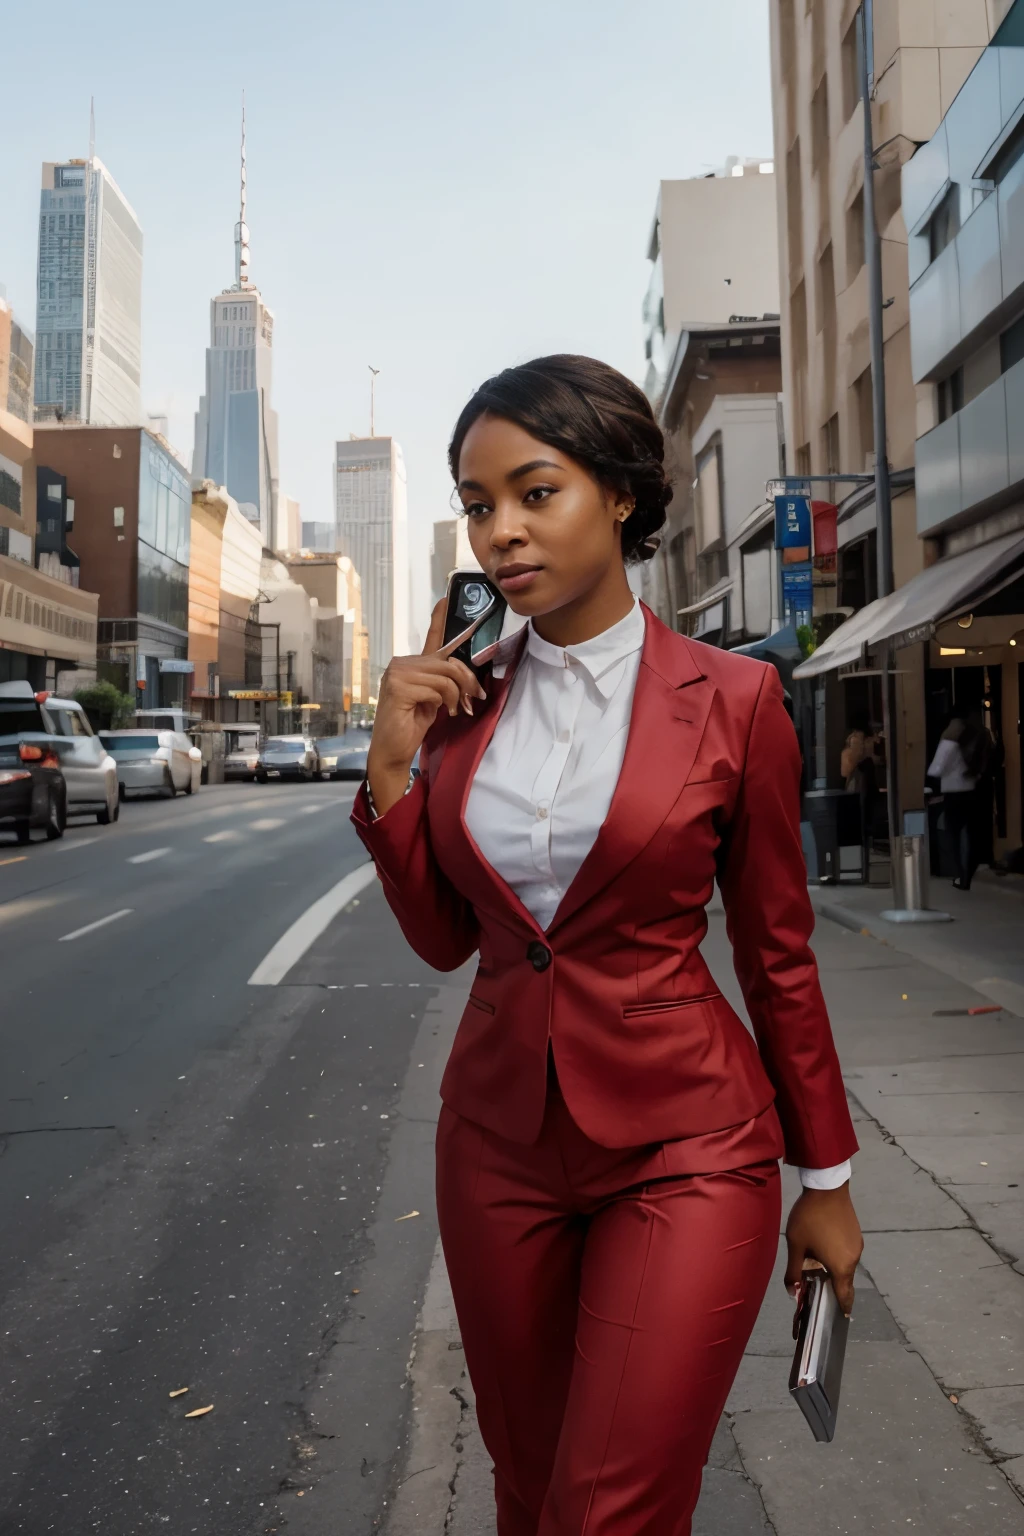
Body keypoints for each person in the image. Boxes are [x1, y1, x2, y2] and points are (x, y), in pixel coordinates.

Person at [353, 356, 862, 1536]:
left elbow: (778, 953)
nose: (501, 535)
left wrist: (824, 1179)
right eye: (478, 507)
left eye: (536, 493)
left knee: (605, 1509)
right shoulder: (460, 706)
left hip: (685, 1141)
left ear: (620, 493)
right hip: (497, 1150)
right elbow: (442, 941)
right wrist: (390, 766)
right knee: (528, 1496)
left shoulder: (734, 699)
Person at [928, 715, 991, 890]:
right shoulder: (976, 744)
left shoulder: (949, 744)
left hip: (953, 794)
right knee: (971, 835)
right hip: (972, 793)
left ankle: (960, 876)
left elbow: (936, 769)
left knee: (953, 836)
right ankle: (968, 875)